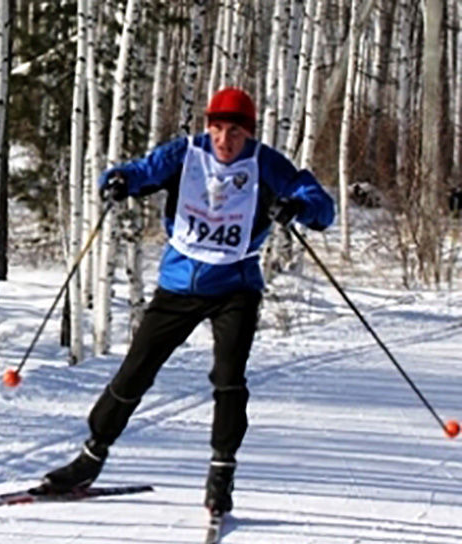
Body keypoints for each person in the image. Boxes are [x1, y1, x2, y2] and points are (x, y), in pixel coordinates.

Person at [32, 87, 335, 514]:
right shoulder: (186, 154)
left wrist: (297, 207)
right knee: (135, 371)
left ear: (249, 133)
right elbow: (140, 171)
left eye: (234, 132)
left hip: (235, 285)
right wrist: (117, 181)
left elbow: (320, 204)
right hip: (179, 284)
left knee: (228, 377)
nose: (224, 140)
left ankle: (221, 474)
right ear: (208, 127)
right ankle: (89, 459)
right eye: (217, 129)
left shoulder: (266, 163)